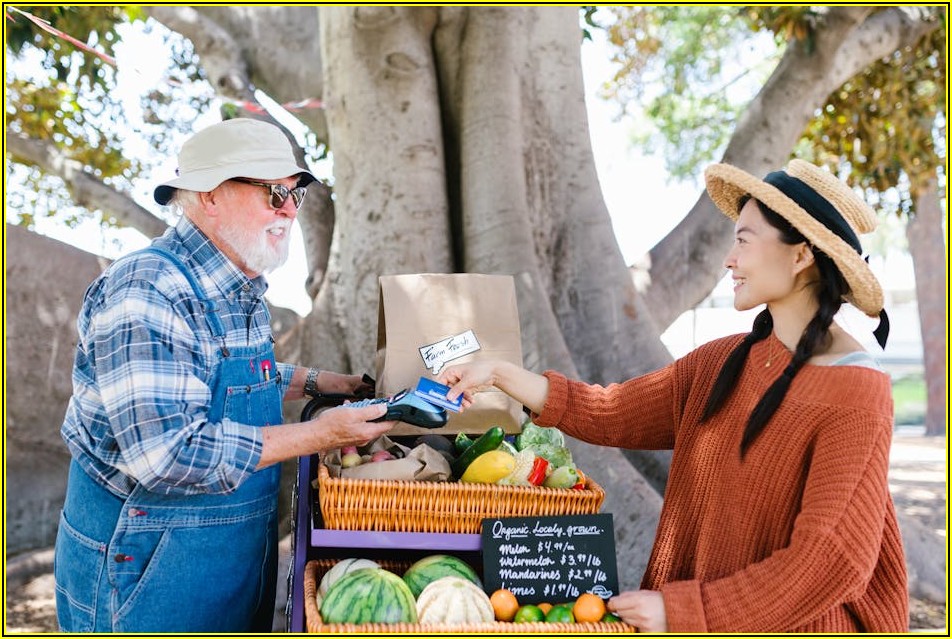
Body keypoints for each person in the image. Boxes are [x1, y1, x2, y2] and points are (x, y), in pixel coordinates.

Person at [438, 159, 908, 633]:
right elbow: (613, 410)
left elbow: (830, 561)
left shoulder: (856, 391)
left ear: (801, 255)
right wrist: (500, 373)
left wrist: (685, 612)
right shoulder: (723, 362)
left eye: (743, 240)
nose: (729, 259)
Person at [54, 118, 394, 633]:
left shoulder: (240, 283)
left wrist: (332, 384)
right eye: (273, 193)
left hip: (227, 560)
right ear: (211, 196)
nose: (288, 210)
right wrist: (323, 434)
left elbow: (238, 377)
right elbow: (166, 454)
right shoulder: (147, 289)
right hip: (145, 570)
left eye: (295, 196)